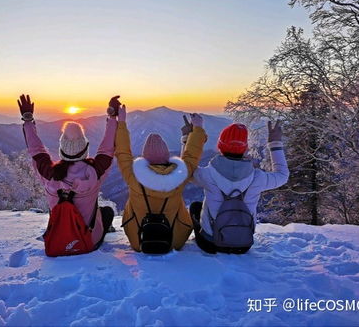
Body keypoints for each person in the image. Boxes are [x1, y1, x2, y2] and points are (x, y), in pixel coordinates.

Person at [17, 94, 119, 252]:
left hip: (57, 239)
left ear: (61, 149)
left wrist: (28, 120)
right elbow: (107, 149)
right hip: (88, 242)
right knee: (107, 211)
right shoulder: (95, 172)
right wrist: (112, 118)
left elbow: (36, 150)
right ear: (85, 149)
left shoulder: (49, 173)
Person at [115, 102, 207, 253]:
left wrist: (121, 123)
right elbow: (192, 155)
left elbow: (122, 151)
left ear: (145, 157)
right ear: (167, 156)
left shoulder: (133, 174)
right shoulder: (180, 175)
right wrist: (197, 129)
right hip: (174, 240)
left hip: (139, 239)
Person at [189, 120, 289, 254]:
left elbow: (185, 171)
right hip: (244, 244)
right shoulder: (257, 178)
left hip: (211, 244)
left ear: (220, 146)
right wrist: (275, 143)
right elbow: (282, 175)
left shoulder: (207, 174)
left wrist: (188, 138)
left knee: (196, 206)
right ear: (245, 148)